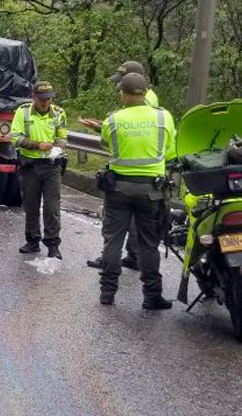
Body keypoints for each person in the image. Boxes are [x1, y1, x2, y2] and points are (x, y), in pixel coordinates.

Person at [96, 72, 176, 309]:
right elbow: (170, 147)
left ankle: (107, 293)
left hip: (118, 189)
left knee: (112, 242)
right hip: (152, 191)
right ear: (145, 93)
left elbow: (105, 144)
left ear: (122, 93)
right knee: (149, 244)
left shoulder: (112, 120)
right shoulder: (164, 117)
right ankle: (152, 296)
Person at [80, 60, 160, 270]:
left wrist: (105, 128)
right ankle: (134, 257)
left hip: (128, 175)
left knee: (114, 227)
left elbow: (131, 135)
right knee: (138, 223)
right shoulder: (150, 100)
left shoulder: (147, 103)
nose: (119, 90)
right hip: (148, 176)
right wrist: (103, 126)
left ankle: (111, 265)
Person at [10, 81, 68, 259]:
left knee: (52, 208)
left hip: (52, 166)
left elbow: (62, 135)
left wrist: (57, 148)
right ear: (33, 96)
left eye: (48, 99)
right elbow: (15, 137)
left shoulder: (59, 113)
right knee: (31, 205)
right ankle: (32, 240)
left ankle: (53, 245)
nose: (45, 102)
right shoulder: (23, 112)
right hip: (30, 166)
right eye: (42, 99)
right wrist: (36, 146)